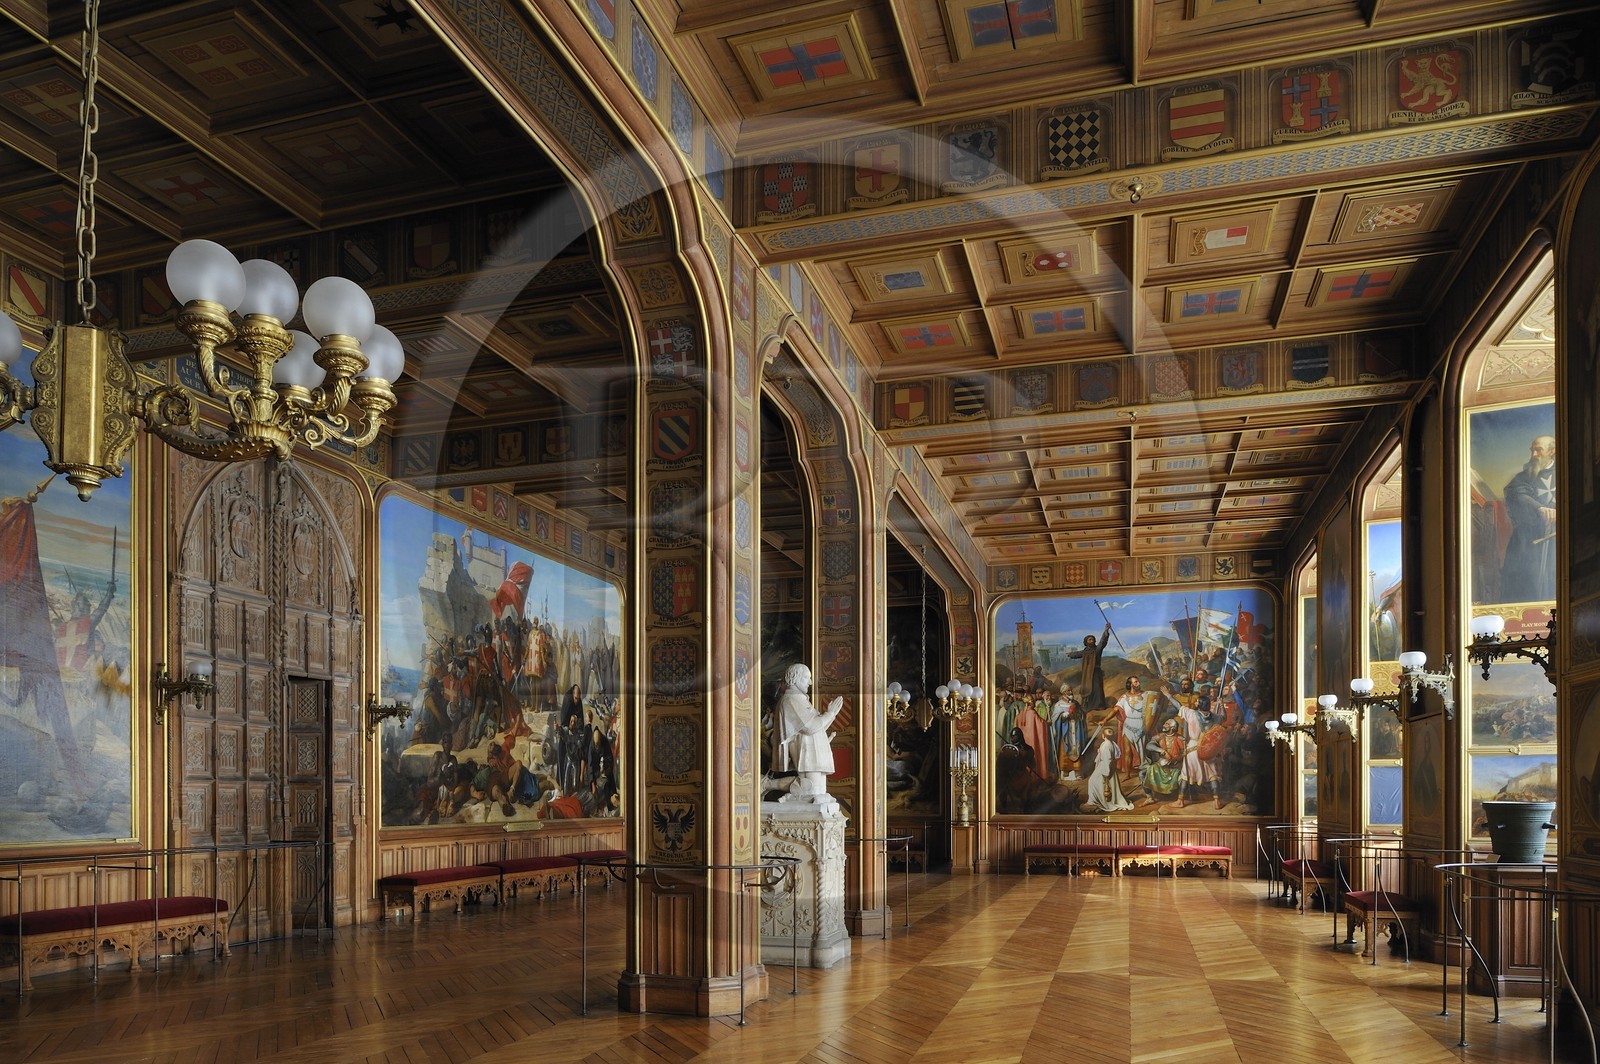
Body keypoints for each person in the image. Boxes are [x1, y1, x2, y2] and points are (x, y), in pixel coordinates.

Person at [772, 663, 843, 800]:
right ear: (794, 678)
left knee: (819, 792)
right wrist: (829, 714)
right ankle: (768, 784)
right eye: (806, 678)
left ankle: (772, 787)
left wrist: (832, 715)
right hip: (807, 752)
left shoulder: (800, 699)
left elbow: (817, 728)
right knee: (811, 790)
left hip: (814, 752)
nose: (810, 682)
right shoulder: (790, 700)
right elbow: (810, 727)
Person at [1500, 434, 1557, 601]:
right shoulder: (1525, 476)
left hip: (1557, 540)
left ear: (1552, 451)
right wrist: (1539, 507)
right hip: (1528, 540)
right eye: (1532, 450)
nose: (1534, 454)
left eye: (1538, 450)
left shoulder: (1566, 473)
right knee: (1523, 580)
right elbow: (1516, 493)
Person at [1085, 725, 1133, 812]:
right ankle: (1095, 800)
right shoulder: (1109, 743)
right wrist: (1100, 751)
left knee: (1092, 781)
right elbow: (1115, 754)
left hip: (1105, 768)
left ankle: (1093, 801)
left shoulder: (1107, 745)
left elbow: (1108, 759)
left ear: (1103, 736)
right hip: (1106, 766)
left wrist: (1106, 772)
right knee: (1097, 783)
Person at [1068, 622, 1113, 712]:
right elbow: (1078, 654)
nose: (1091, 641)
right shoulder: (1085, 652)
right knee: (1087, 688)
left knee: (1097, 689)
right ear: (1086, 642)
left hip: (1096, 672)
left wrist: (1106, 631)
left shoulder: (1097, 650)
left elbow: (1102, 642)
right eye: (1089, 639)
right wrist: (1071, 654)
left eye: (1093, 639)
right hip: (1087, 674)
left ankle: (1099, 706)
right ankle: (1088, 706)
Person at [1049, 686, 1086, 781]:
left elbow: (1082, 714)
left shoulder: (1075, 703)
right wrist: (1065, 715)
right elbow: (1055, 718)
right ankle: (1065, 772)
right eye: (1068, 690)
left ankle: (1077, 771)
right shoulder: (1059, 705)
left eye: (1071, 690)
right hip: (1065, 732)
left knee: (1076, 749)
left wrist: (1078, 714)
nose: (1071, 692)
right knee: (1064, 750)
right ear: (1064, 692)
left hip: (1076, 730)